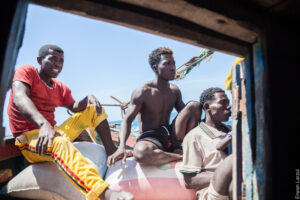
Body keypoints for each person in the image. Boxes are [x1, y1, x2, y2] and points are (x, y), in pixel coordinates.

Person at [7, 44, 134, 200]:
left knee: (93, 110)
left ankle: (111, 151)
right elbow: (20, 98)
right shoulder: (27, 72)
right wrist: (43, 125)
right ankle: (103, 193)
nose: (58, 64)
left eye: (61, 60)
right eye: (53, 58)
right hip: (30, 139)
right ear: (39, 60)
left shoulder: (59, 87)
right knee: (59, 142)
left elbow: (74, 108)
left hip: (52, 131)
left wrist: (87, 99)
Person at [107, 47, 185, 166]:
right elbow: (127, 121)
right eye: (167, 64)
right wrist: (121, 146)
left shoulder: (174, 91)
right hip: (151, 139)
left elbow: (185, 115)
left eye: (173, 63)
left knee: (194, 106)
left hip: (170, 137)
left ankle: (173, 150)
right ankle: (179, 156)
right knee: (141, 153)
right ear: (155, 68)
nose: (173, 67)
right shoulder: (143, 92)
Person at [179, 87, 233, 200]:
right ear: (207, 107)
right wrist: (224, 176)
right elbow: (189, 181)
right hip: (212, 193)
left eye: (228, 102)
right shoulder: (194, 136)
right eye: (223, 102)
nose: (229, 106)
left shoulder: (231, 131)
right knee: (232, 162)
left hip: (234, 186)